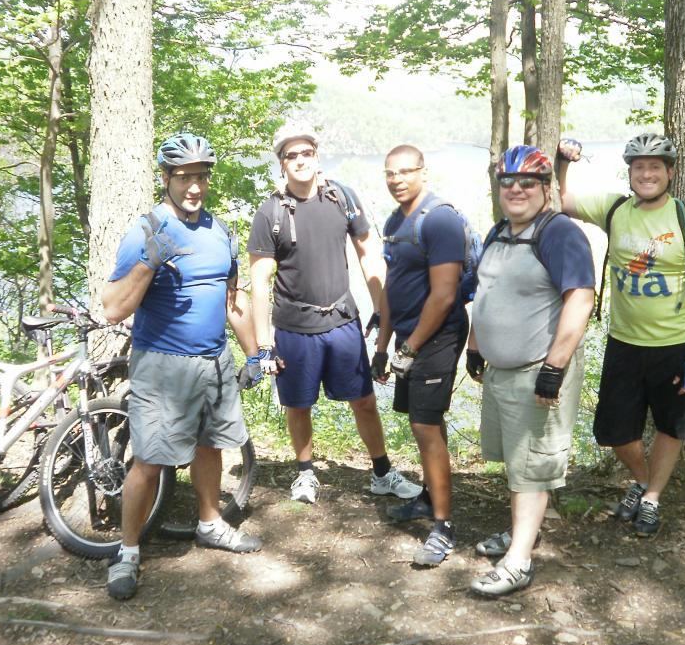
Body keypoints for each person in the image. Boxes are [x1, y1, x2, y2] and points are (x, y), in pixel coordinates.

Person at [101, 133, 262, 601]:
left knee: (211, 447)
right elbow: (113, 308)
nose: (195, 186)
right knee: (149, 461)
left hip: (214, 361)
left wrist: (254, 352)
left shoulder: (220, 232)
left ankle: (209, 522)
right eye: (185, 177)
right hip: (162, 366)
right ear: (167, 178)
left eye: (202, 177)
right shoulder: (146, 231)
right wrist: (150, 263)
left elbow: (232, 303)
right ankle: (128, 551)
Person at [556, 132, 685, 537]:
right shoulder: (616, 209)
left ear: (670, 173)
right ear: (629, 173)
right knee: (614, 431)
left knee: (671, 427)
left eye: (655, 167)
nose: (646, 174)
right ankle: (646, 480)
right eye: (638, 167)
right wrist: (562, 162)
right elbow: (557, 201)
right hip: (625, 343)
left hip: (676, 345)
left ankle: (650, 498)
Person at [248, 123, 420, 505]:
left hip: (342, 322)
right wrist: (263, 345)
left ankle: (381, 472)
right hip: (294, 328)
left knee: (363, 400)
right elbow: (259, 282)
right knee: (298, 405)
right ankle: (306, 474)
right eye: (291, 156)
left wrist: (382, 310)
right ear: (281, 164)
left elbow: (368, 254)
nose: (299, 161)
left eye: (305, 153)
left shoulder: (340, 197)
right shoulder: (270, 212)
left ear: (316, 155)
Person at [465, 145, 595, 596]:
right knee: (516, 465)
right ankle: (524, 532)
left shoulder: (559, 234)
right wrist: (475, 346)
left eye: (528, 182)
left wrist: (554, 368)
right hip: (502, 371)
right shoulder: (498, 232)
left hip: (537, 370)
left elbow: (580, 299)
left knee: (532, 468)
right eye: (508, 182)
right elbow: (486, 292)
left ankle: (519, 561)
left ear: (545, 190)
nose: (516, 189)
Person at [374, 144, 470, 567]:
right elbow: (394, 288)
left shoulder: (441, 219)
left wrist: (411, 348)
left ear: (423, 172)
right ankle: (431, 498)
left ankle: (444, 528)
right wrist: (383, 346)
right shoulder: (396, 221)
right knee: (424, 425)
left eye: (405, 172)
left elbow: (445, 294)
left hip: (438, 335)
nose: (396, 179)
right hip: (408, 337)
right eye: (390, 173)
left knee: (425, 424)